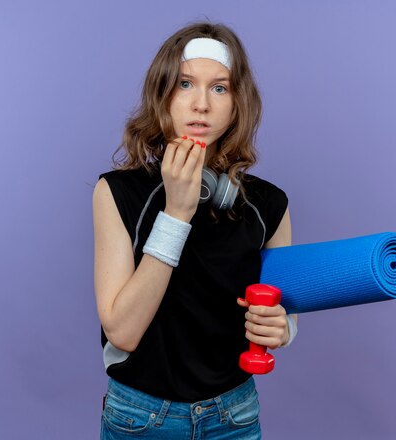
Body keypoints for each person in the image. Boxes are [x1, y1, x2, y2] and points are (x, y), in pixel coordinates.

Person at [92, 21, 298, 439]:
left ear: (238, 103)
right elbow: (123, 332)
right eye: (186, 84)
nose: (201, 104)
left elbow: (283, 313)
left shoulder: (270, 206)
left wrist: (284, 328)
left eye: (219, 88)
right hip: (140, 417)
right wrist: (176, 214)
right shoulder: (117, 193)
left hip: (234, 416)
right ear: (162, 94)